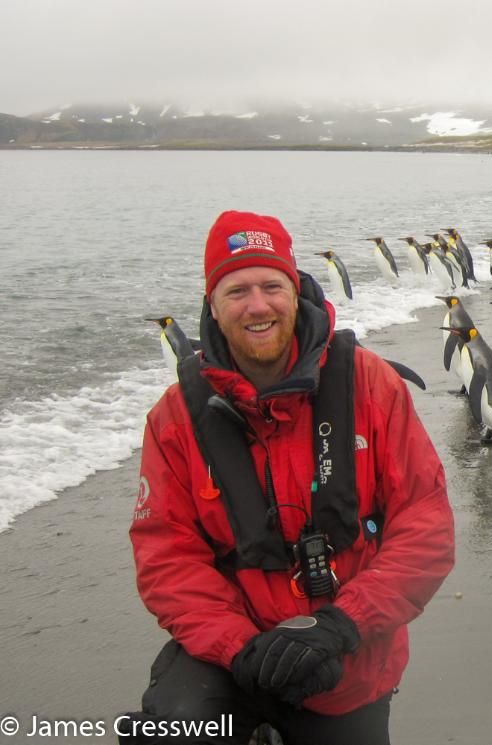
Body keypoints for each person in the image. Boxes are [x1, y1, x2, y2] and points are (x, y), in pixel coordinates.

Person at [120, 210, 454, 744]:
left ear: (295, 291)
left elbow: (426, 525)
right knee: (174, 728)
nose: (257, 305)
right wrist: (238, 646)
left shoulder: (371, 386)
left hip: (348, 659)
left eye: (271, 285)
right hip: (233, 662)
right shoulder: (175, 418)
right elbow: (167, 557)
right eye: (236, 290)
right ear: (212, 303)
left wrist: (344, 625)